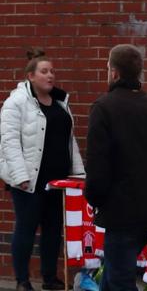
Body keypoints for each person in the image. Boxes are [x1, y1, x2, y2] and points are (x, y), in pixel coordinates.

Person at [84, 44, 147, 291]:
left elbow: (97, 165)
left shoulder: (104, 108)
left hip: (120, 212)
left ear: (115, 73)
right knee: (114, 274)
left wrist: (96, 197)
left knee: (119, 280)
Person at [0, 49, 85, 291]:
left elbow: (71, 141)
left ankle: (50, 279)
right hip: (29, 180)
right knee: (26, 229)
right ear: (30, 76)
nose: (50, 76)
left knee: (53, 230)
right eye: (44, 71)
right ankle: (22, 280)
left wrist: (77, 174)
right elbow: (8, 142)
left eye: (52, 71)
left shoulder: (60, 102)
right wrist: (20, 176)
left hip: (57, 180)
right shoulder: (15, 103)